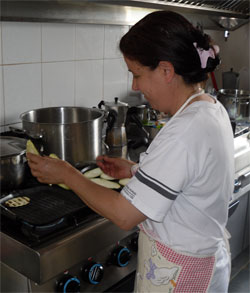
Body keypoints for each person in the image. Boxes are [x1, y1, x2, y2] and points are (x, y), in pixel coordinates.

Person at [27, 10, 234, 292]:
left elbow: (124, 215)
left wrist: (68, 174)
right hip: (197, 264)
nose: (135, 86)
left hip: (180, 275)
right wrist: (134, 170)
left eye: (137, 74)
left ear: (166, 70)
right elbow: (188, 176)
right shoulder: (209, 108)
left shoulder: (185, 130)